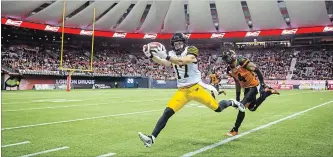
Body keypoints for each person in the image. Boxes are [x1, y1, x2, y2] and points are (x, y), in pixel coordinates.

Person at [138, 33, 245, 147]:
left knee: (217, 108)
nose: (178, 46)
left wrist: (165, 56)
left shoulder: (191, 50)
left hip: (196, 88)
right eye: (176, 44)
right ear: (172, 45)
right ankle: (152, 138)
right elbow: (165, 63)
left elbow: (182, 61)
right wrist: (152, 56)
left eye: (180, 43)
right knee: (167, 112)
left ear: (184, 43)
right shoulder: (171, 53)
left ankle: (232, 102)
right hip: (182, 91)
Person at [221, 49, 280, 136]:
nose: (226, 60)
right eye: (225, 58)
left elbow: (257, 70)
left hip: (254, 86)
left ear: (232, 56)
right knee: (252, 108)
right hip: (246, 88)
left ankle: (235, 129)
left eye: (227, 57)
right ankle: (268, 92)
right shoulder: (229, 69)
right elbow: (237, 82)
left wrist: (262, 84)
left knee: (242, 106)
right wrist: (237, 96)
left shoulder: (242, 61)